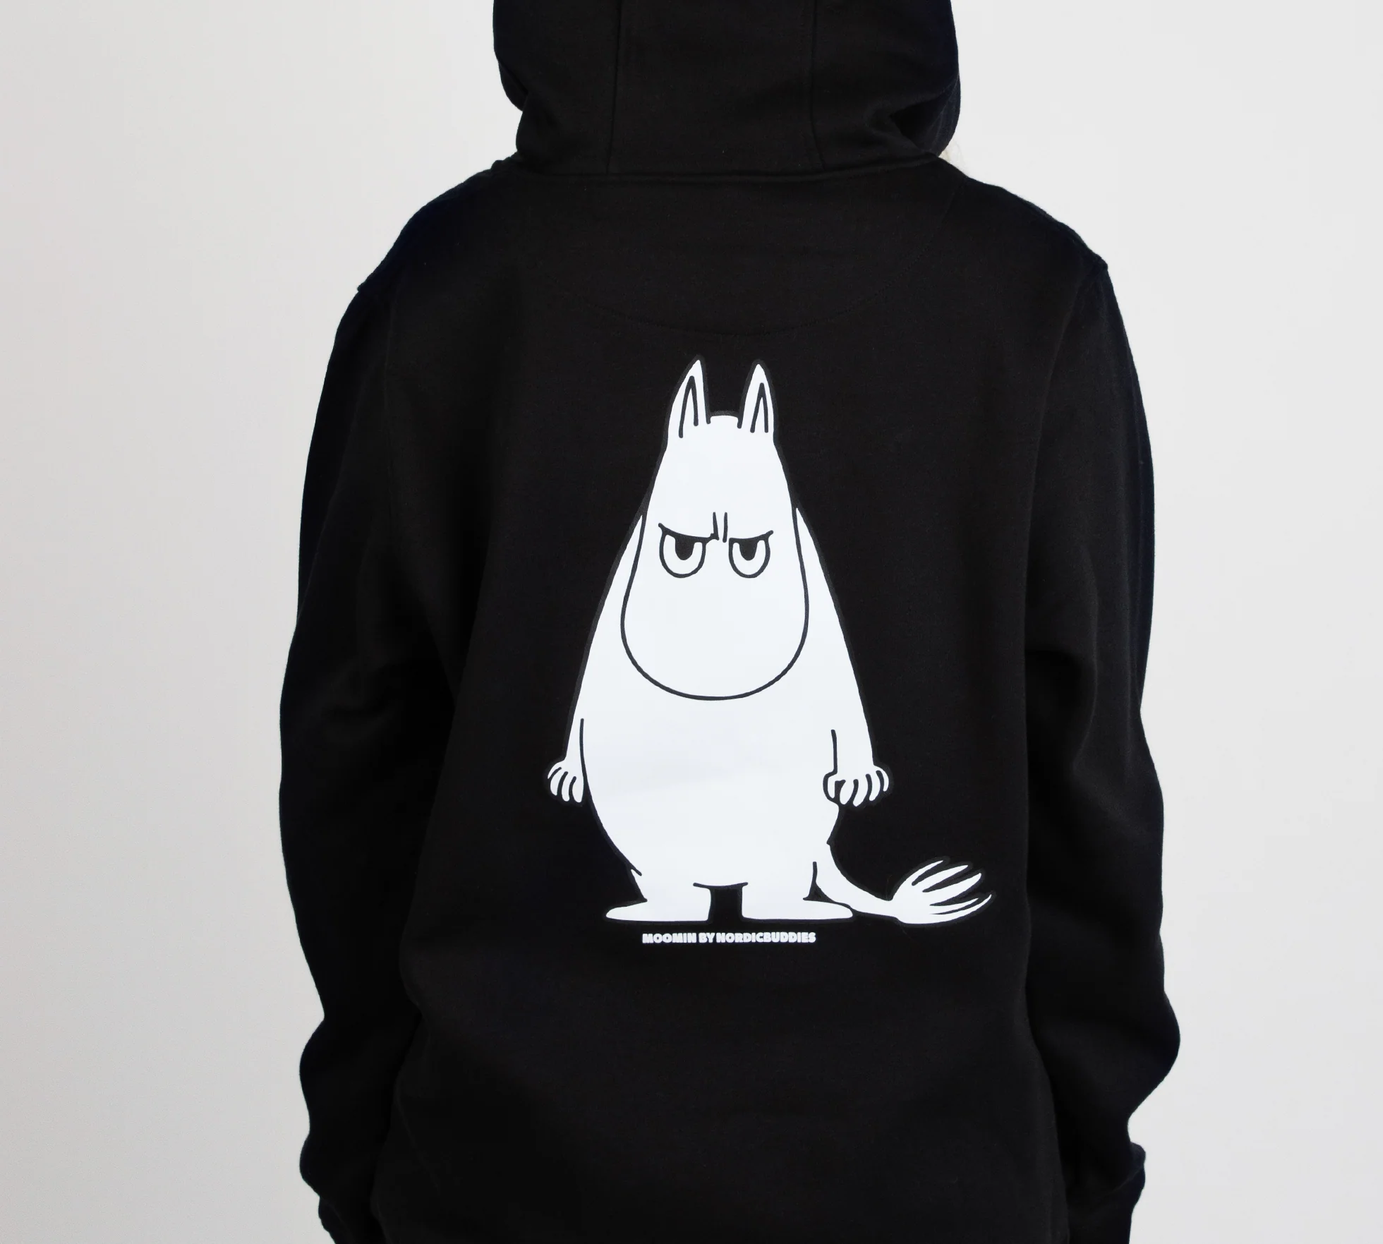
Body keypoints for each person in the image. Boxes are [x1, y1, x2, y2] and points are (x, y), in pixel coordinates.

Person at [280, 2, 1178, 1241]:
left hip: (499, 1176)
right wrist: (1082, 1174)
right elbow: (1088, 788)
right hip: (932, 1179)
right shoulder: (1023, 297)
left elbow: (351, 762)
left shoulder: (450, 285)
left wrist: (367, 1158)